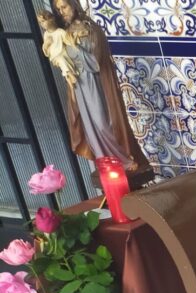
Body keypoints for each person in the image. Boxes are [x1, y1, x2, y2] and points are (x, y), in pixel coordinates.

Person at [46, 0, 149, 174]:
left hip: (96, 84)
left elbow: (95, 61)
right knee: (90, 127)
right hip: (80, 86)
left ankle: (124, 160)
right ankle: (107, 162)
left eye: (64, 7)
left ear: (74, 5)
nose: (62, 12)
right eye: (58, 9)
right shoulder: (63, 33)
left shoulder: (91, 28)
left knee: (104, 123)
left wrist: (73, 47)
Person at [37, 11, 78, 87]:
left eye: (43, 21)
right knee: (61, 60)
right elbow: (45, 49)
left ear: (51, 19)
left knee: (66, 61)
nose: (42, 24)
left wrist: (74, 37)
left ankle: (68, 78)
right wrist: (46, 44)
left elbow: (68, 41)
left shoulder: (60, 32)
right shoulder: (46, 34)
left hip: (63, 52)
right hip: (55, 56)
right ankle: (69, 74)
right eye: (40, 23)